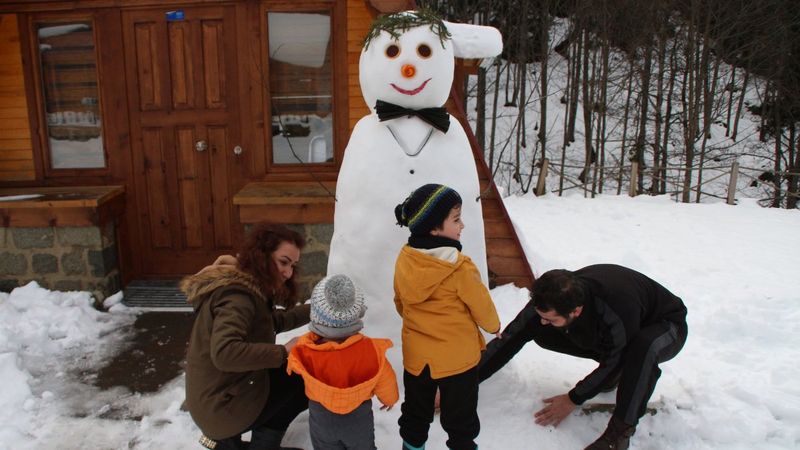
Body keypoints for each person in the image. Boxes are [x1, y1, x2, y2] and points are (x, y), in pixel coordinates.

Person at [478, 264, 688, 450]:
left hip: (667, 326)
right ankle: (610, 376)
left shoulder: (616, 305)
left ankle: (618, 436)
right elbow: (509, 339)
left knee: (641, 350)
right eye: (541, 315)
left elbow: (619, 357)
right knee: (542, 332)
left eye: (549, 318)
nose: (542, 321)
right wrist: (463, 383)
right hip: (622, 331)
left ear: (576, 311)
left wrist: (573, 398)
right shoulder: (550, 298)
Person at [182, 223, 311, 450]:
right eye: (283, 262)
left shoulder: (245, 285)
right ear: (261, 255)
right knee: (305, 377)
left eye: (292, 265)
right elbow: (225, 353)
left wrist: (315, 310)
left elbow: (270, 323)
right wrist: (284, 352)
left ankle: (233, 442)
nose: (288, 273)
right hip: (221, 406)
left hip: (218, 394)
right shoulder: (238, 297)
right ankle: (250, 444)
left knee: (292, 373)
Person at [393, 183, 501, 450]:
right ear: (433, 228)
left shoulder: (405, 259)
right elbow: (481, 304)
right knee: (460, 418)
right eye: (456, 219)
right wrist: (493, 326)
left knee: (416, 412)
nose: (462, 225)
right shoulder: (459, 267)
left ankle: (412, 446)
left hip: (417, 359)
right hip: (458, 360)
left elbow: (399, 301)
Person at [287, 274, 399, 450]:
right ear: (356, 314)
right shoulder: (370, 350)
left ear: (316, 315)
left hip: (321, 418)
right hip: (358, 419)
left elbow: (292, 369)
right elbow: (386, 379)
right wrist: (390, 398)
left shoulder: (305, 349)